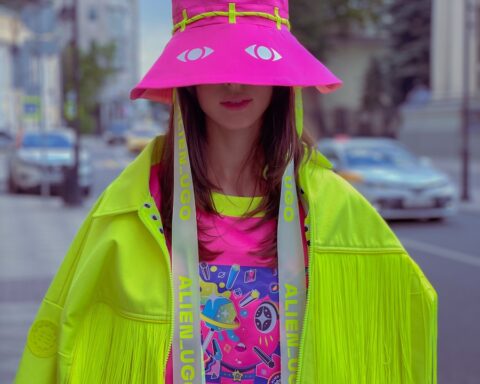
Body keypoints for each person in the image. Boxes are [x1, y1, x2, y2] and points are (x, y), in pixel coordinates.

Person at [15, 0, 437, 383]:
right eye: (215, 64)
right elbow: (61, 336)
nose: (234, 82)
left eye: (251, 62)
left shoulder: (333, 207)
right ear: (188, 81)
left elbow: (405, 320)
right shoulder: (134, 206)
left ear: (279, 79)